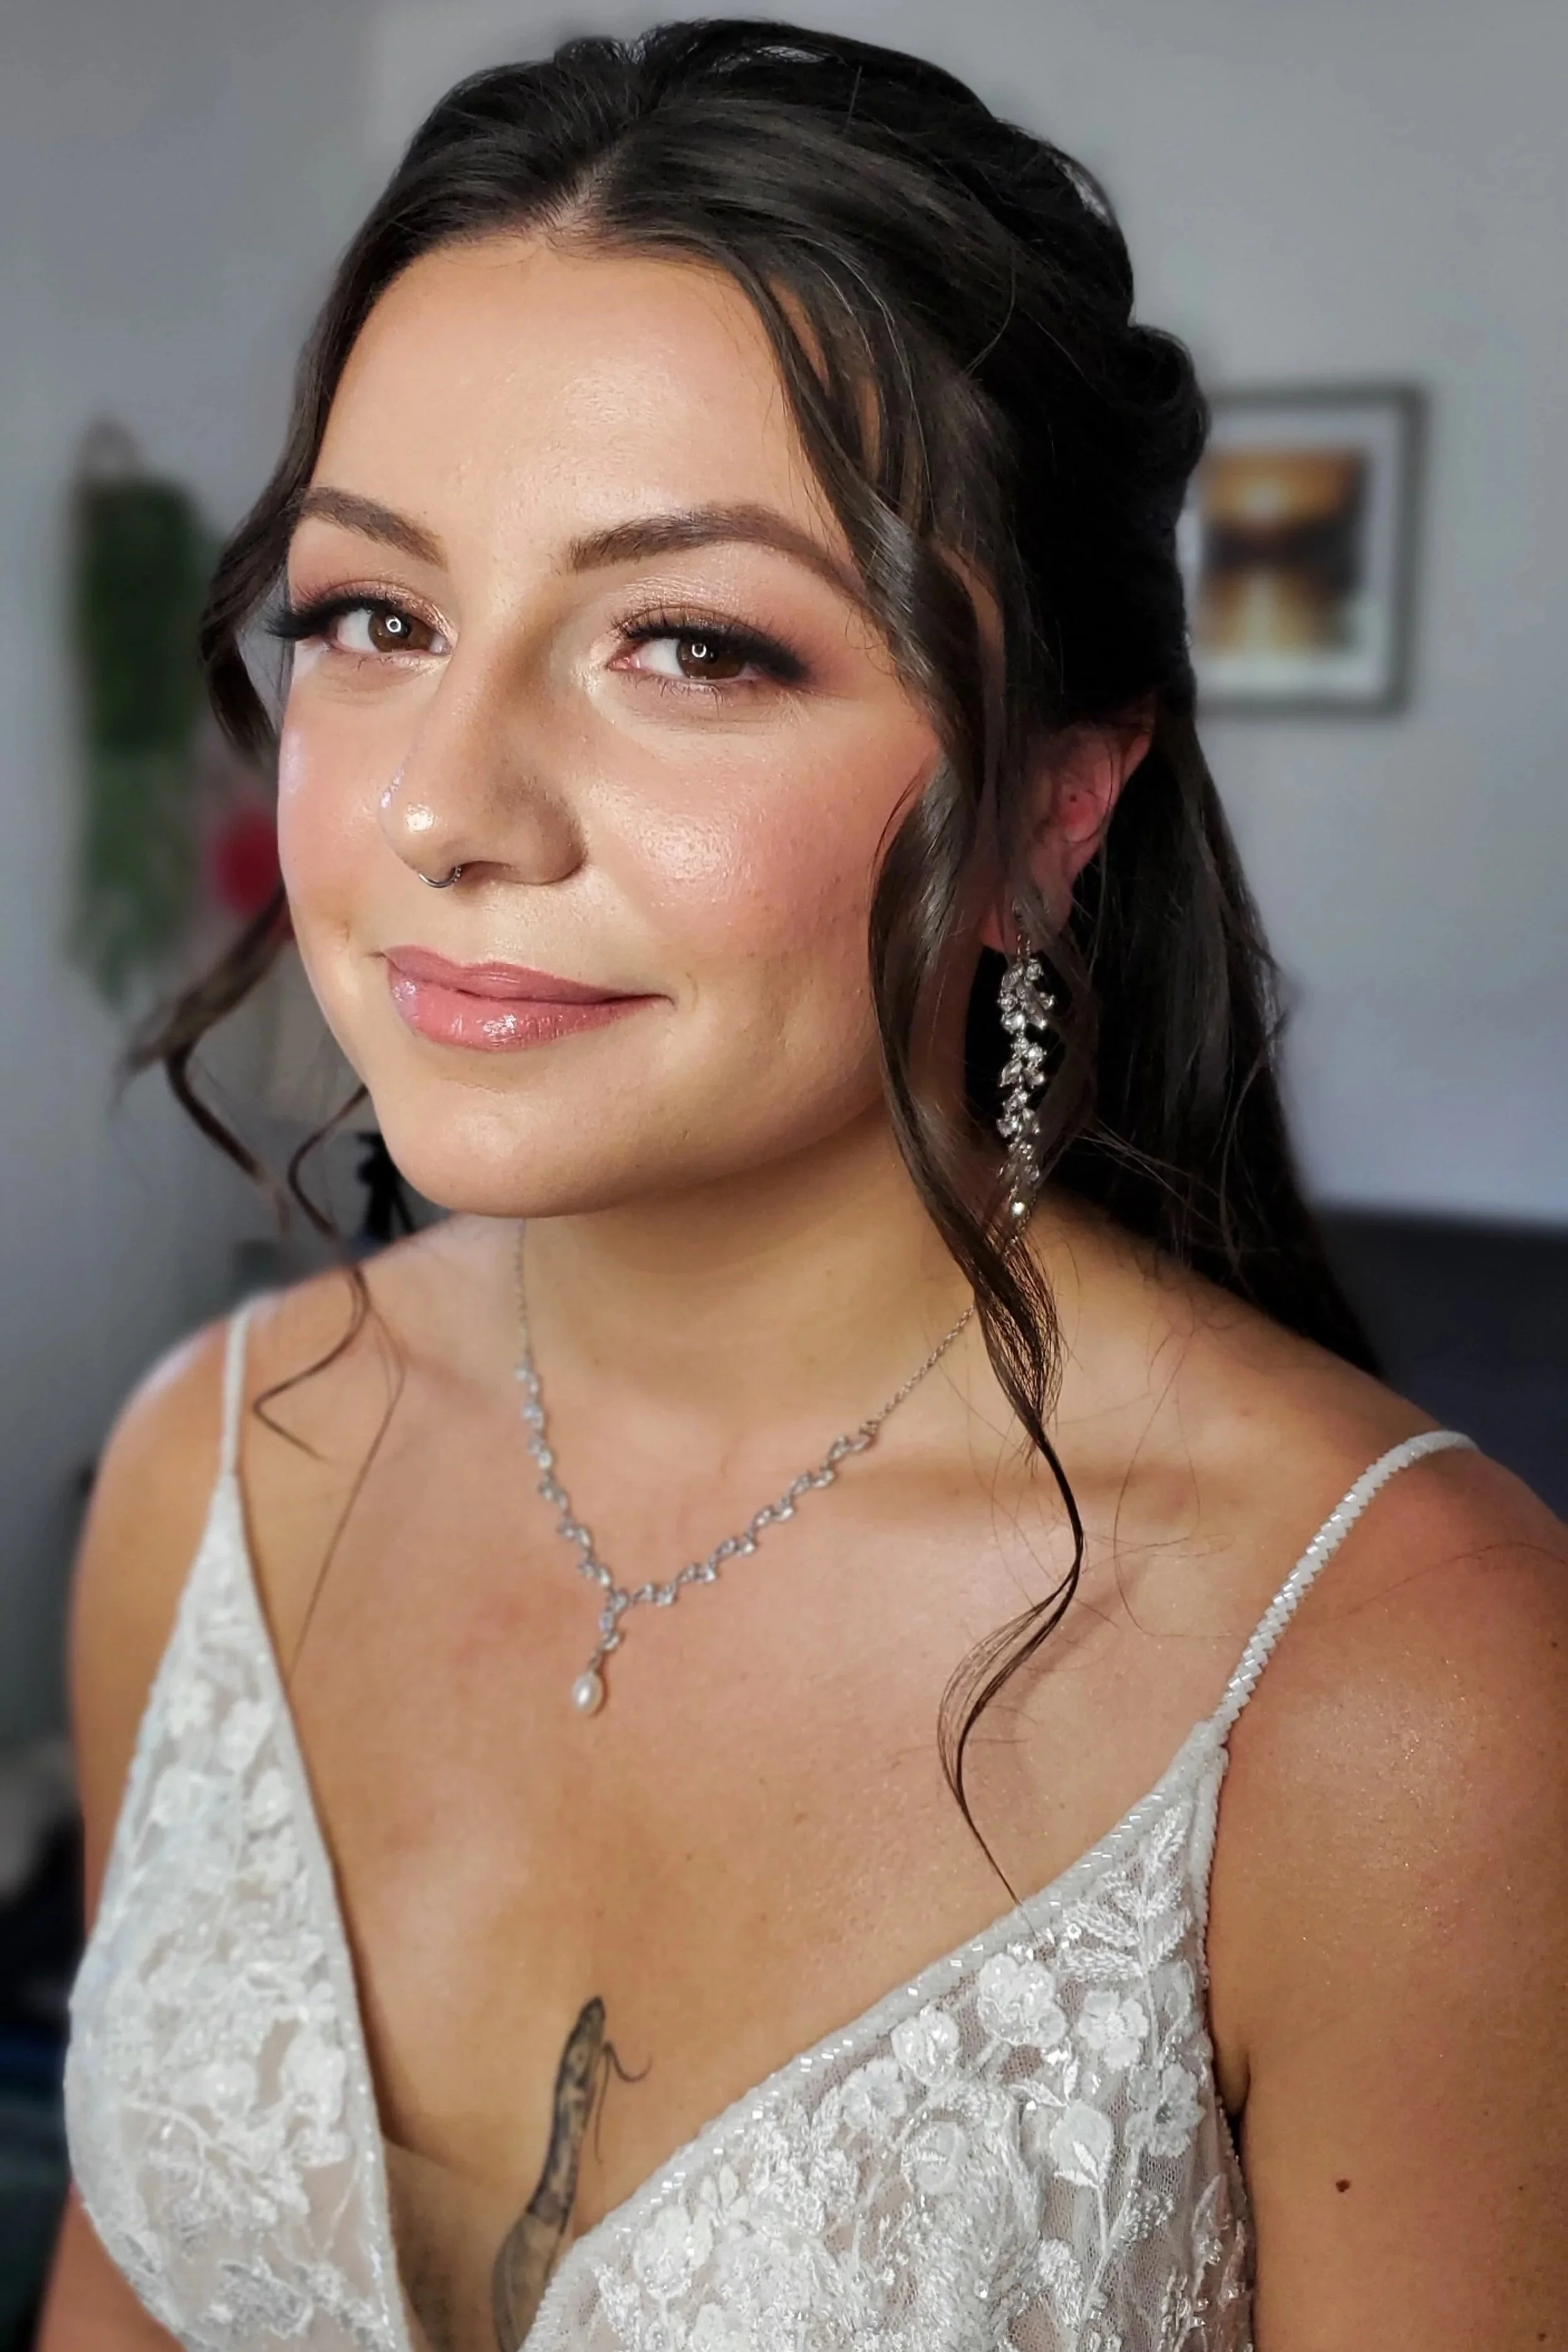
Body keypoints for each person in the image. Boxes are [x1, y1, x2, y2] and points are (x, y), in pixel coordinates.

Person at [40, 21, 1567, 2352]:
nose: (451, 806)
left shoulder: (1405, 1690)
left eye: (691, 643)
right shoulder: (213, 1468)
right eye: (377, 615)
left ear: (1055, 803)